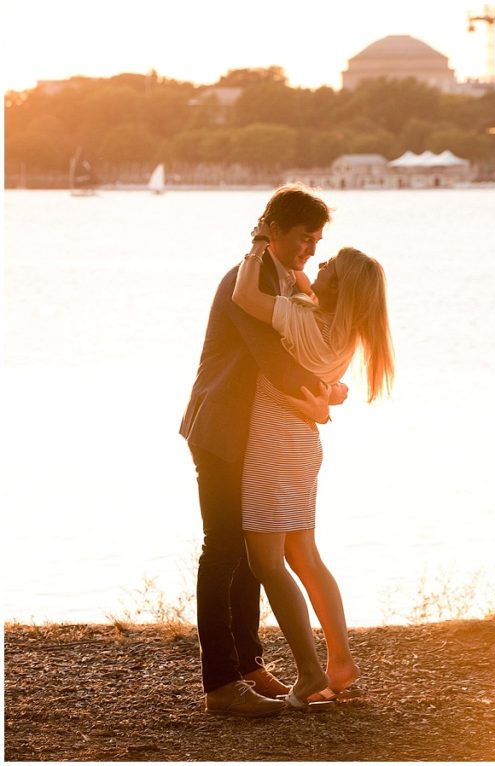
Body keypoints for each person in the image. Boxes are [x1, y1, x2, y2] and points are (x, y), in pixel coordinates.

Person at [180, 185, 335, 717]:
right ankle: (221, 684)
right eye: (302, 237)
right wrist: (323, 396)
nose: (310, 248)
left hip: (252, 437)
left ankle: (247, 665)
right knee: (222, 549)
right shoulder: (244, 282)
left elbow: (302, 342)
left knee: (249, 553)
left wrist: (327, 382)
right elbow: (274, 361)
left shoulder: (284, 279)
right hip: (221, 430)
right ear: (273, 230)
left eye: (317, 239)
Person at [232, 215, 394, 710]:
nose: (317, 263)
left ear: (338, 287)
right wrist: (329, 395)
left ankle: (309, 671)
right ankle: (340, 660)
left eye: (330, 264)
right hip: (302, 447)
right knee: (305, 555)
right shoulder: (343, 333)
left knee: (267, 560)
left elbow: (244, 297)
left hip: (271, 447)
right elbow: (305, 282)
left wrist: (258, 243)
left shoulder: (301, 318)